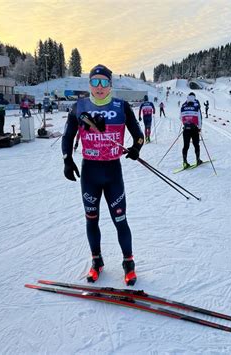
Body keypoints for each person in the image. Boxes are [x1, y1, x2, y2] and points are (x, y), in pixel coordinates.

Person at [62, 64, 144, 286]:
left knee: (120, 220)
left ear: (110, 85)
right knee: (92, 220)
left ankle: (128, 263)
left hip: (112, 172)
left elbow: (138, 135)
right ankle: (96, 261)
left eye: (104, 82)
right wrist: (67, 160)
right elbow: (68, 136)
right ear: (89, 84)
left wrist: (136, 148)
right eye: (95, 82)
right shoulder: (79, 107)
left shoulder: (121, 106)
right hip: (90, 172)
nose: (99, 87)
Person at [180, 92, 202, 168]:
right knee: (196, 145)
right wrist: (199, 128)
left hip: (186, 129)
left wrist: (186, 123)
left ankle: (185, 162)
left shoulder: (183, 106)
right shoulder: (196, 107)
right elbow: (199, 119)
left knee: (185, 146)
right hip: (194, 129)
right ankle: (198, 160)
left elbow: (180, 117)